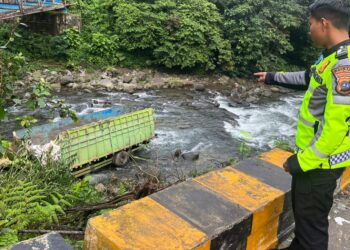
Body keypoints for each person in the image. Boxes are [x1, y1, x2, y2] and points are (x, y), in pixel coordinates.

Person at [254, 0, 350, 249]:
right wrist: (272, 77)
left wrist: (301, 162)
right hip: (318, 161)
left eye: (310, 25)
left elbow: (336, 126)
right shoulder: (330, 58)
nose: (309, 31)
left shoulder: (344, 66)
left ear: (324, 23)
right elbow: (307, 78)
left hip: (319, 166)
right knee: (307, 224)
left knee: (312, 234)